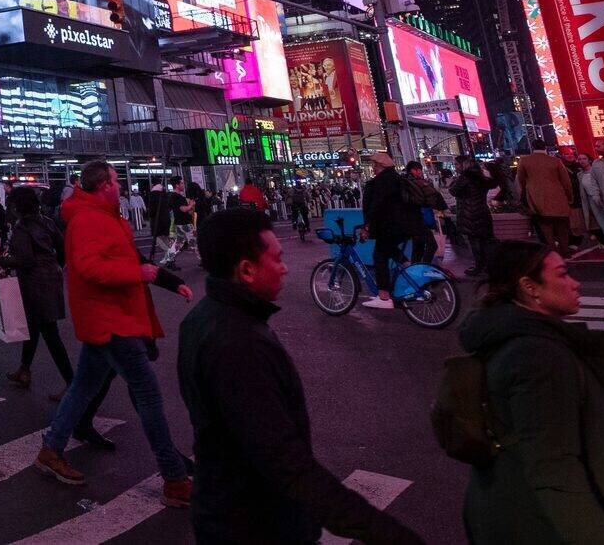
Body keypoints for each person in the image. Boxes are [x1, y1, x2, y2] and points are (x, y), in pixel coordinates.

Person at [178, 210, 424, 543]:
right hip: (256, 523)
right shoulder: (239, 343)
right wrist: (385, 533)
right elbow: (283, 461)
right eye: (277, 259)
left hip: (230, 507)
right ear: (247, 270)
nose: (285, 268)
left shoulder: (206, 319)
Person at [458, 242, 604, 541]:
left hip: (500, 502)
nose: (575, 282)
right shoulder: (538, 354)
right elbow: (554, 466)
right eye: (563, 274)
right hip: (532, 521)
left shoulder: (507, 334)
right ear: (530, 287)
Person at [33, 161, 193, 500]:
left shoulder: (106, 217)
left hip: (110, 319)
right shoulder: (88, 220)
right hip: (111, 321)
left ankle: (51, 448)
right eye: (116, 180)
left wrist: (169, 281)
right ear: (104, 184)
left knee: (83, 387)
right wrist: (138, 274)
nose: (120, 185)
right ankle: (174, 476)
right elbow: (90, 268)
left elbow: (134, 259)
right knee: (147, 395)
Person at [0, 186, 72, 391]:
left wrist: (1, 260)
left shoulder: (22, 227)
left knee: (50, 333)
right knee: (33, 328)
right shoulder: (46, 222)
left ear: (16, 205)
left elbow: (26, 259)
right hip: (51, 278)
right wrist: (54, 264)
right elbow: (62, 247)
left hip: (34, 284)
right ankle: (24, 369)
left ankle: (71, 381)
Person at [359, 153, 423, 309]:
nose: (373, 168)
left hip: (390, 227)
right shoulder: (398, 179)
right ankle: (413, 277)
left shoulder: (382, 182)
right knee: (391, 251)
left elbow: (377, 206)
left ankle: (384, 296)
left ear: (382, 166)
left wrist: (367, 226)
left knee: (379, 256)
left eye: (375, 165)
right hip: (406, 226)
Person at [448, 159, 501, 276]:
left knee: (474, 241)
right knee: (484, 240)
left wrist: (454, 182)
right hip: (482, 211)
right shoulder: (481, 178)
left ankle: (479, 266)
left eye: (457, 164)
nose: (456, 166)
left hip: (469, 212)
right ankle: (489, 265)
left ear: (464, 165)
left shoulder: (465, 178)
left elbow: (453, 191)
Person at [403, 162, 447, 263]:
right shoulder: (418, 182)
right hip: (419, 218)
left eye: (420, 169)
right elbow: (430, 197)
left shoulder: (409, 182)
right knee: (431, 245)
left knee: (419, 246)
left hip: (415, 218)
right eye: (417, 169)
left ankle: (417, 268)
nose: (419, 172)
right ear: (412, 170)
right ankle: (423, 266)